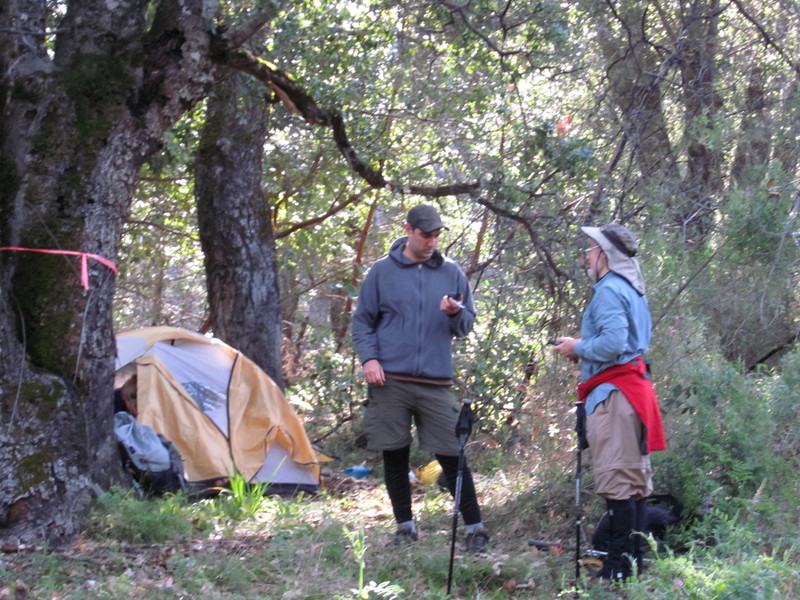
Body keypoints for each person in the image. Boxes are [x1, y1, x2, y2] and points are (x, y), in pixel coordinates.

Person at [351, 204, 490, 552]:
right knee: (394, 455)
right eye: (425, 234)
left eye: (436, 235)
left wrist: (455, 313)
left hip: (436, 381)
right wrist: (369, 359)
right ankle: (405, 529)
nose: (431, 242)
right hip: (389, 380)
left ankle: (475, 530)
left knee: (453, 455)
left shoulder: (452, 273)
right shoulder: (381, 272)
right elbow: (362, 321)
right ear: (408, 230)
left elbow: (466, 326)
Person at [553, 224, 666, 581]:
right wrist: (584, 350)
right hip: (633, 393)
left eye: (591, 249)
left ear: (605, 255)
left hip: (616, 397)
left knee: (618, 482)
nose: (587, 255)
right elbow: (622, 343)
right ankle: (633, 562)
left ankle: (618, 569)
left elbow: (614, 343)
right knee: (635, 483)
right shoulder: (632, 289)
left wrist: (578, 346)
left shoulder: (608, 290)